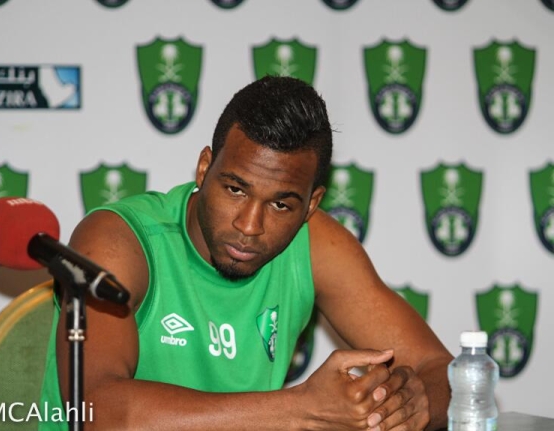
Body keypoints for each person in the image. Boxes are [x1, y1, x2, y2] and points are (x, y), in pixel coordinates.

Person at [40, 76, 453, 430]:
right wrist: (301, 408)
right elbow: (97, 412)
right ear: (205, 168)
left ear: (311, 205)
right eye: (235, 189)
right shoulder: (119, 241)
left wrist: (413, 404)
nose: (250, 225)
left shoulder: (317, 246)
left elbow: (442, 370)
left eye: (281, 205)